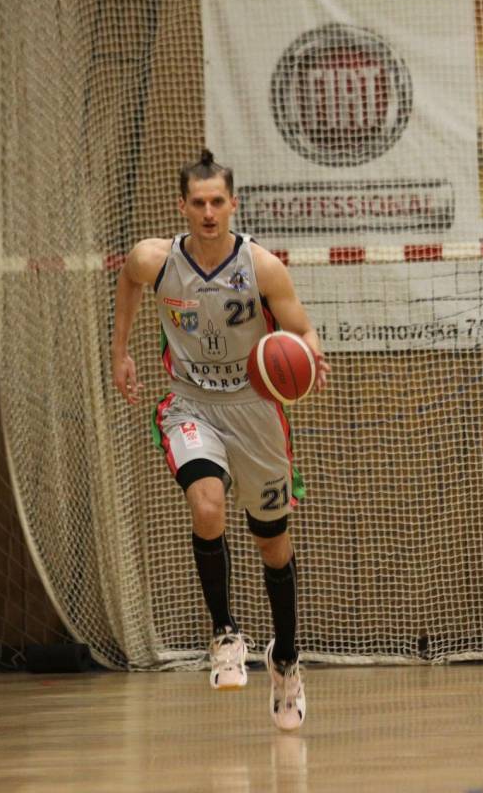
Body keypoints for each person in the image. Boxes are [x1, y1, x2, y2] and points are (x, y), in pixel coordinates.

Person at [111, 150, 329, 731]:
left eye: (217, 202)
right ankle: (225, 634)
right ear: (182, 206)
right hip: (190, 404)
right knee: (206, 504)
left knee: (272, 545)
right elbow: (129, 281)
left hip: (256, 410)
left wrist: (311, 353)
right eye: (198, 203)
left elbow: (301, 329)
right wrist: (121, 350)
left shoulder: (262, 266)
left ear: (233, 204)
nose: (208, 212)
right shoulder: (156, 259)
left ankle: (286, 658)